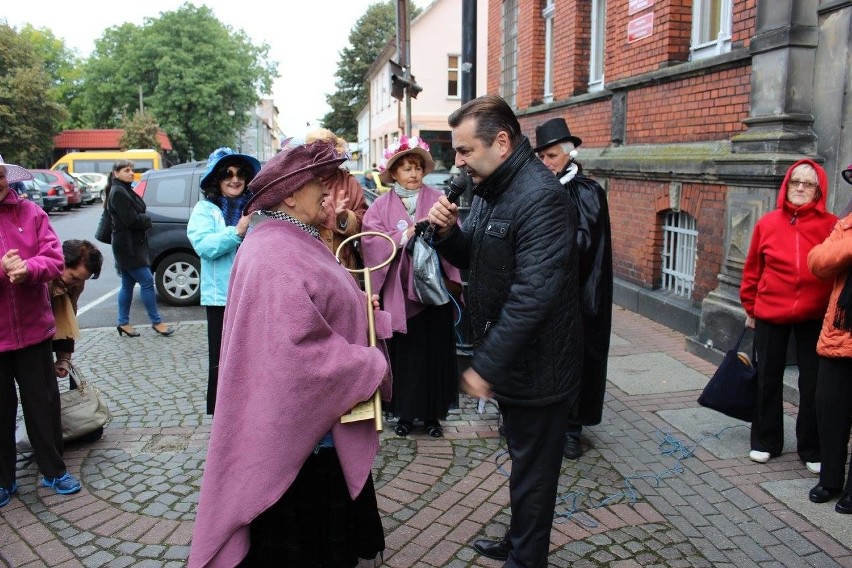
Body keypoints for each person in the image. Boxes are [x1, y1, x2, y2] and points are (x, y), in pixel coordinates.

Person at [189, 140, 391, 567]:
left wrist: (357, 304)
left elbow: (313, 308)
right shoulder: (275, 253)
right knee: (308, 550)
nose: (327, 192)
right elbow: (296, 355)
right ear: (290, 194)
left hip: (311, 436)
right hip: (304, 448)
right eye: (318, 183)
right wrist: (370, 363)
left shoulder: (287, 239)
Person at [427, 94, 582, 567]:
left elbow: (533, 294)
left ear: (501, 141)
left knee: (535, 476)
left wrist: (485, 365)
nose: (457, 161)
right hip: (516, 366)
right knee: (523, 465)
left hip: (540, 368)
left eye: (465, 150)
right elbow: (479, 258)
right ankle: (518, 542)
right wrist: (448, 234)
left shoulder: (542, 198)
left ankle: (526, 559)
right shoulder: (497, 191)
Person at [740, 159, 837, 473]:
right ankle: (766, 440)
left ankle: (811, 446)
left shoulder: (831, 225)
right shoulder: (767, 223)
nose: (799, 188)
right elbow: (753, 268)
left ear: (818, 190)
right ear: (786, 185)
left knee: (813, 382)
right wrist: (750, 308)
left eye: (807, 184)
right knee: (768, 377)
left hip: (815, 314)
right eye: (795, 181)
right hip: (771, 310)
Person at [361, 135, 462, 438]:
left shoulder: (438, 198)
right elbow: (371, 241)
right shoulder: (380, 206)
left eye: (417, 167)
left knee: (434, 353)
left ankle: (433, 415)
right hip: (399, 294)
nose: (413, 173)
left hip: (432, 292)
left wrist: (439, 234)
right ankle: (404, 413)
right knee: (405, 354)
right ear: (393, 174)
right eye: (405, 168)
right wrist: (403, 238)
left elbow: (455, 234)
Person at [1, 155, 82, 508]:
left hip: (35, 332)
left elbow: (54, 260)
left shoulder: (32, 213)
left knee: (44, 405)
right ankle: (4, 480)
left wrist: (28, 270)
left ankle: (53, 470)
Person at [534, 117, 613, 460]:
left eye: (551, 156)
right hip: (545, 292)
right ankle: (546, 422)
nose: (546, 163)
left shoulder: (586, 190)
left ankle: (571, 428)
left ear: (568, 153)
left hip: (579, 293)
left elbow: (584, 242)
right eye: (542, 157)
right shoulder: (541, 188)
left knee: (577, 359)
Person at [187, 147, 260, 415]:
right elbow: (204, 246)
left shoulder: (256, 208)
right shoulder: (205, 210)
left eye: (241, 174)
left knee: (253, 357)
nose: (235, 179)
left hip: (254, 294)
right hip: (221, 299)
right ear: (217, 180)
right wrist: (236, 232)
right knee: (222, 359)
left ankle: (251, 411)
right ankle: (223, 416)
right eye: (227, 174)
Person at [806, 163, 852, 514]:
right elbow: (818, 261)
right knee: (830, 409)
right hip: (840, 335)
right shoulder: (847, 225)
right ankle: (830, 479)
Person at [106, 159, 174, 337]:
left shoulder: (124, 189)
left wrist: (142, 217)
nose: (131, 173)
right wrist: (147, 220)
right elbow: (132, 220)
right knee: (146, 281)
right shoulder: (118, 192)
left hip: (130, 244)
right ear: (116, 173)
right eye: (127, 170)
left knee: (127, 284)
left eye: (132, 170)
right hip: (128, 247)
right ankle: (157, 322)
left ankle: (123, 323)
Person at [305, 128, 368, 272]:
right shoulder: (299, 182)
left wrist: (344, 217)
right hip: (306, 264)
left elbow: (365, 228)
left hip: (343, 265)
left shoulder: (349, 183)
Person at [51, 239, 104, 379]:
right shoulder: (40, 279)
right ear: (61, 261)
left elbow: (67, 318)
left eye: (82, 280)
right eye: (74, 277)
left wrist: (64, 358)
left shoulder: (76, 285)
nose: (76, 284)